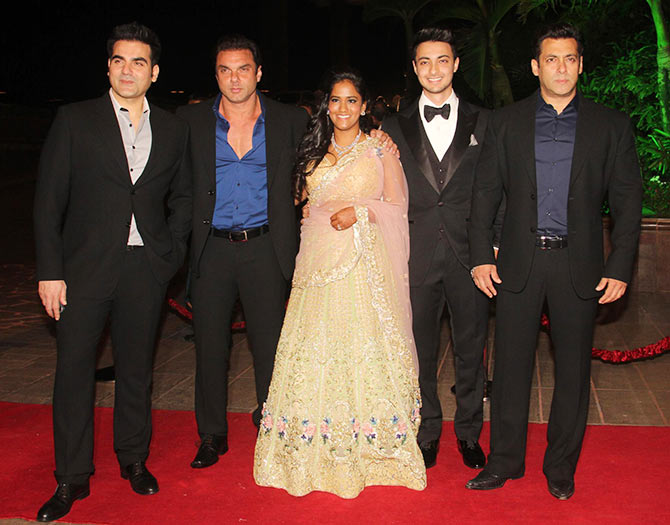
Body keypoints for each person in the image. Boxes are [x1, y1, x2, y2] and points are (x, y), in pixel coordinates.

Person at [178, 35, 398, 470]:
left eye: (244, 69)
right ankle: (211, 435)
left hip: (266, 248)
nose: (235, 79)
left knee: (271, 348)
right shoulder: (188, 121)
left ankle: (274, 424)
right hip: (211, 249)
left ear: (258, 73)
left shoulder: (288, 120)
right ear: (216, 75)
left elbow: (330, 147)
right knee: (210, 348)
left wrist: (381, 139)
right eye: (225, 70)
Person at [466, 23, 642, 500]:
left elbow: (628, 203)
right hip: (518, 263)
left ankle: (561, 466)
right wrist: (480, 256)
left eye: (569, 59)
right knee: (510, 369)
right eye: (551, 59)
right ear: (535, 67)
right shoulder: (505, 122)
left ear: (581, 65)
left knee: (573, 373)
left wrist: (620, 266)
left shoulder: (611, 125)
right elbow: (485, 195)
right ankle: (504, 461)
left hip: (578, 265)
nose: (560, 68)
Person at [34, 22, 191, 522]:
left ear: (154, 72)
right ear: (108, 67)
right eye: (119, 60)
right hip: (82, 269)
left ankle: (134, 459)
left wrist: (171, 253)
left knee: (137, 370)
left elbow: (183, 197)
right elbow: (48, 202)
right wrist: (50, 271)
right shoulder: (75, 119)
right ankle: (71, 477)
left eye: (138, 62)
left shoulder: (173, 128)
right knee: (73, 372)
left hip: (145, 267)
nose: (128, 70)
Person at [253, 69, 426, 498]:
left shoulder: (379, 149)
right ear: (325, 106)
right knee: (313, 352)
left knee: (359, 352)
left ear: (364, 106)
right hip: (314, 267)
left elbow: (398, 207)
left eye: (351, 100)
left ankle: (371, 449)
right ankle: (308, 446)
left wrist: (360, 211)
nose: (343, 108)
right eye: (335, 100)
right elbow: (297, 199)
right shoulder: (311, 149)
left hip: (362, 269)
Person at [383, 28, 492, 471]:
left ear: (456, 65)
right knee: (419, 352)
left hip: (472, 258)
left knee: (471, 349)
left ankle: (469, 432)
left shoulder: (486, 122)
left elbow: (498, 190)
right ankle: (427, 430)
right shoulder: (392, 127)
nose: (434, 70)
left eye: (442, 60)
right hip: (415, 254)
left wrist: (493, 247)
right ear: (414, 68)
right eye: (425, 62)